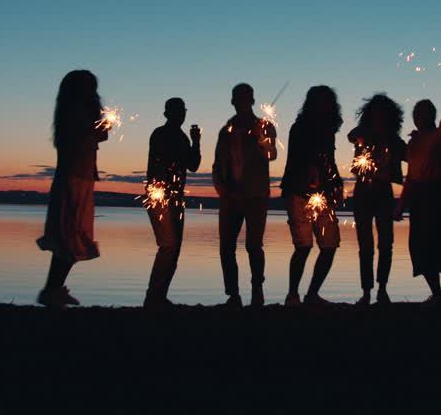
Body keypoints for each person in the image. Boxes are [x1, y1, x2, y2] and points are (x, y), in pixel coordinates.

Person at [36, 70, 109, 307]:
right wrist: (98, 129)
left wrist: (100, 128)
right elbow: (81, 140)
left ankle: (54, 289)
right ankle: (52, 290)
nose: (92, 92)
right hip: (73, 179)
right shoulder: (74, 112)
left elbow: (97, 137)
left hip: (81, 178)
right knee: (70, 236)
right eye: (88, 87)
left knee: (72, 237)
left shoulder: (79, 112)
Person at [395, 77, 441, 303]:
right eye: (417, 114)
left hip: (438, 196)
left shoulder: (438, 136)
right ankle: (437, 294)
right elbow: (410, 178)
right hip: (419, 199)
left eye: (424, 113)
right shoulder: (412, 144)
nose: (419, 117)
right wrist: (400, 206)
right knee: (421, 248)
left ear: (431, 116)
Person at [212, 83, 278, 307]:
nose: (242, 102)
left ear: (252, 101)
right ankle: (233, 295)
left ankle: (257, 291)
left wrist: (261, 139)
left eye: (246, 98)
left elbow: (271, 155)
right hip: (229, 197)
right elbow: (217, 163)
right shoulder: (225, 131)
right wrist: (221, 188)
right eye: (239, 98)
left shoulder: (265, 127)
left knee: (254, 246)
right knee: (226, 247)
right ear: (233, 101)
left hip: (255, 196)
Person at [280, 85, 345, 306]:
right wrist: (312, 173)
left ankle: (311, 295)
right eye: (319, 102)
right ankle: (293, 295)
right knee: (303, 246)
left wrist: (337, 184)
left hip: (322, 194)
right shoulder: (299, 128)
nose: (323, 106)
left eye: (326, 102)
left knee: (330, 245)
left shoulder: (328, 131)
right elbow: (300, 158)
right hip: (298, 192)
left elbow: (329, 161)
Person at [347, 93, 406, 305]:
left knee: (386, 243)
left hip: (383, 190)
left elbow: (409, 154)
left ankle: (382, 289)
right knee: (365, 245)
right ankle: (366, 292)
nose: (379, 116)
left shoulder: (394, 139)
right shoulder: (363, 132)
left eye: (382, 112)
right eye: (375, 112)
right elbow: (351, 135)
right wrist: (363, 134)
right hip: (363, 189)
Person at [142, 97, 202, 308]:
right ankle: (153, 297)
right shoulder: (160, 134)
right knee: (168, 245)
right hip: (160, 196)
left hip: (175, 198)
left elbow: (193, 165)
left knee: (173, 248)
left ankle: (159, 296)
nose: (181, 114)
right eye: (178, 111)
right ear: (167, 114)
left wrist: (196, 142)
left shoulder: (183, 137)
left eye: (183, 110)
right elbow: (167, 163)